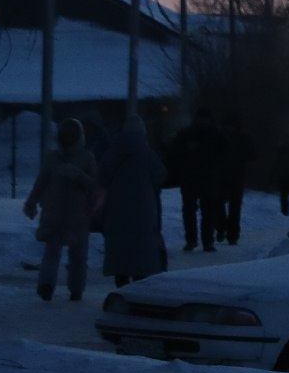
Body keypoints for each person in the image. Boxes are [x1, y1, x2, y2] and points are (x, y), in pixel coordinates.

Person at [24, 117, 100, 303]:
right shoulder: (52, 157)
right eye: (64, 135)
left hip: (78, 215)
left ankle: (76, 289)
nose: (67, 139)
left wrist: (79, 176)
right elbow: (41, 182)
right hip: (55, 213)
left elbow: (95, 185)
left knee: (78, 256)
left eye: (71, 136)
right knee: (52, 252)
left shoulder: (86, 158)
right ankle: (46, 286)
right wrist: (31, 202)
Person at [96, 116, 167, 288]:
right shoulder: (148, 154)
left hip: (116, 211)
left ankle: (120, 289)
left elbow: (102, 177)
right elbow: (161, 176)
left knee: (120, 252)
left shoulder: (112, 153)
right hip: (144, 211)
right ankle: (138, 291)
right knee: (141, 254)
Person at [166, 112, 222, 253]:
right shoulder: (191, 134)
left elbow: (225, 154)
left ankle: (201, 241)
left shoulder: (214, 135)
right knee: (198, 211)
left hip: (202, 178)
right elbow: (175, 153)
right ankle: (198, 241)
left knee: (202, 211)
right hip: (194, 178)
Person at [216, 109, 250, 246]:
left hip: (234, 175)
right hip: (224, 175)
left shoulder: (242, 138)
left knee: (233, 206)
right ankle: (223, 228)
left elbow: (252, 154)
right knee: (221, 204)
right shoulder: (219, 138)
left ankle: (231, 233)